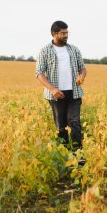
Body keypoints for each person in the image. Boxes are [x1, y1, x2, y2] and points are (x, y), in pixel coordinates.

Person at [35, 20, 87, 151]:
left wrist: (82, 76)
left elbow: (83, 68)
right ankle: (65, 155)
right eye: (63, 33)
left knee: (74, 123)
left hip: (74, 92)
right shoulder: (45, 51)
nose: (66, 35)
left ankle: (78, 155)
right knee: (61, 127)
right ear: (54, 34)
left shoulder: (74, 49)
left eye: (67, 32)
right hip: (56, 94)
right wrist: (52, 89)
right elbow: (39, 73)